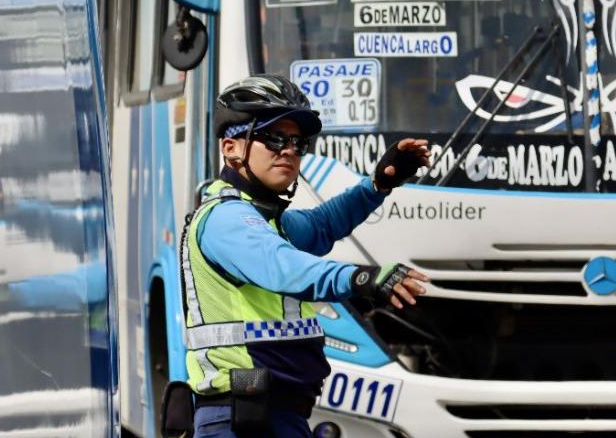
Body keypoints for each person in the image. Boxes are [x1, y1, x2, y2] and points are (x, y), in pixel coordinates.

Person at [181, 74, 430, 437]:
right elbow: (283, 268)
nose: (289, 150)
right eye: (274, 137)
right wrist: (362, 279)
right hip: (241, 417)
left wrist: (378, 185)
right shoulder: (225, 219)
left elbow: (323, 225)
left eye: (299, 142)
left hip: (276, 411)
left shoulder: (267, 220)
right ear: (231, 147)